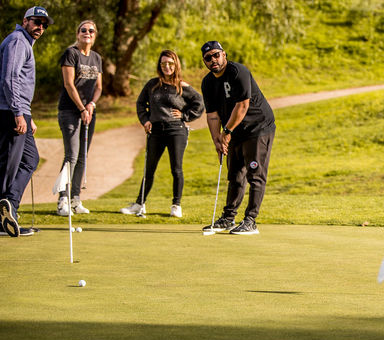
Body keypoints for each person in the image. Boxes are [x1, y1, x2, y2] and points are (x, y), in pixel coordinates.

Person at [200, 41, 275, 235]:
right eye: (208, 58)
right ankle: (228, 218)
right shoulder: (208, 82)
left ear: (224, 54)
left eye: (216, 55)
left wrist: (227, 132)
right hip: (233, 131)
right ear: (205, 62)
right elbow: (212, 115)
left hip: (257, 127)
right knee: (234, 175)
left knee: (254, 174)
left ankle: (251, 221)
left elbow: (242, 106)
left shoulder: (238, 72)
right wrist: (217, 140)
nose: (213, 60)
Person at [121, 50, 203, 218]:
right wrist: (145, 120)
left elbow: (199, 103)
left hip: (176, 131)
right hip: (156, 131)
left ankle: (176, 205)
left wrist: (185, 115)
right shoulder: (152, 85)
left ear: (176, 65)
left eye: (170, 63)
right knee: (149, 169)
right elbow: (140, 103)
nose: (167, 66)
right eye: (164, 63)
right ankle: (139, 204)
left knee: (176, 169)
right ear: (160, 65)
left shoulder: (182, 86)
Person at [0, 6, 54, 237]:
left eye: (44, 24)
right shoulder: (17, 41)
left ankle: (9, 208)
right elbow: (9, 79)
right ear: (25, 21)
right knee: (8, 166)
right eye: (36, 22)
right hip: (10, 112)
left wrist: (27, 115)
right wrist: (18, 113)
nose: (40, 27)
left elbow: (21, 83)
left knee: (30, 160)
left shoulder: (24, 43)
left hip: (21, 112)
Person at [56, 20, 102, 216]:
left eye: (91, 30)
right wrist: (82, 108)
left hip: (88, 111)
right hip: (69, 111)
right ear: (78, 34)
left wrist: (91, 105)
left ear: (95, 35)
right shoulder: (71, 54)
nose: (87, 33)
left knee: (83, 155)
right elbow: (69, 84)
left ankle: (76, 199)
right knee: (71, 156)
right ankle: (62, 200)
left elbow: (99, 87)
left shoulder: (96, 58)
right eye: (83, 30)